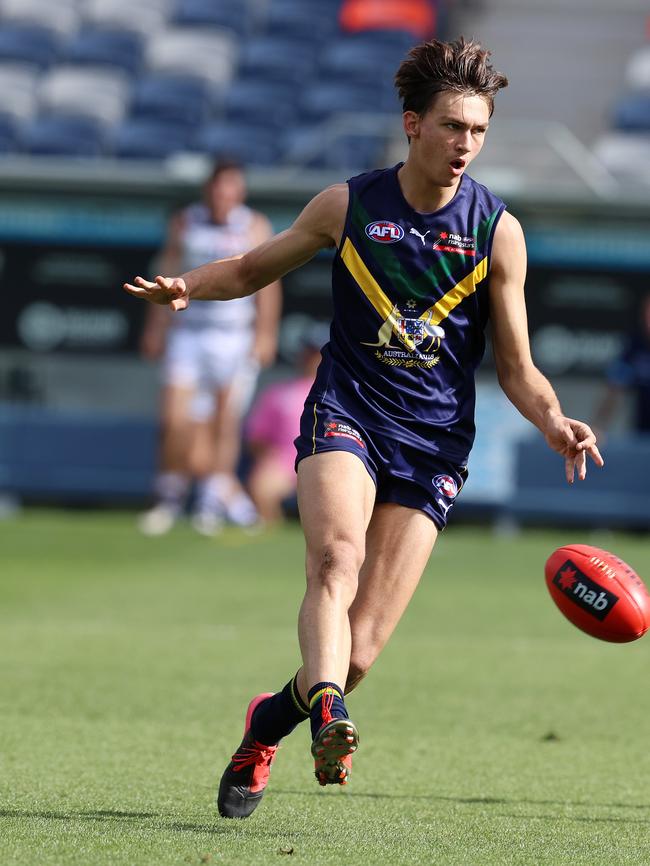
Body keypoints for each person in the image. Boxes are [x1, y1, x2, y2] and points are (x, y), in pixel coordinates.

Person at [124, 37, 603, 817]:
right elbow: (250, 270)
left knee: (362, 649)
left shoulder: (497, 231)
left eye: (478, 132)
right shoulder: (347, 204)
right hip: (348, 408)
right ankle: (332, 717)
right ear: (412, 124)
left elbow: (517, 366)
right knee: (334, 563)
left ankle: (270, 724)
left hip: (435, 441)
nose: (465, 146)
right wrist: (187, 287)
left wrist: (554, 420)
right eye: (451, 127)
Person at [138, 158, 281, 536]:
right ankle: (168, 495)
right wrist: (156, 326)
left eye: (230, 186)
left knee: (224, 422)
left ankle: (209, 499)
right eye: (217, 186)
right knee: (174, 419)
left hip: (233, 336)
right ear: (209, 189)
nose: (223, 194)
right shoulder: (186, 221)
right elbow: (165, 273)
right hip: (188, 332)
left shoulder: (254, 225)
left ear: (239, 190)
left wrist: (265, 334)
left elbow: (266, 282)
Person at [245, 324, 328, 524]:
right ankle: (272, 537)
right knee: (261, 488)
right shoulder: (278, 392)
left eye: (317, 353)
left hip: (328, 458)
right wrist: (269, 457)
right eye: (308, 352)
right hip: (286, 459)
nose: (311, 358)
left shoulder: (343, 393)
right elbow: (256, 438)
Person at [592, 293, 650, 437]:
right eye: (646, 312)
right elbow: (614, 388)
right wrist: (598, 426)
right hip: (642, 432)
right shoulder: (634, 346)